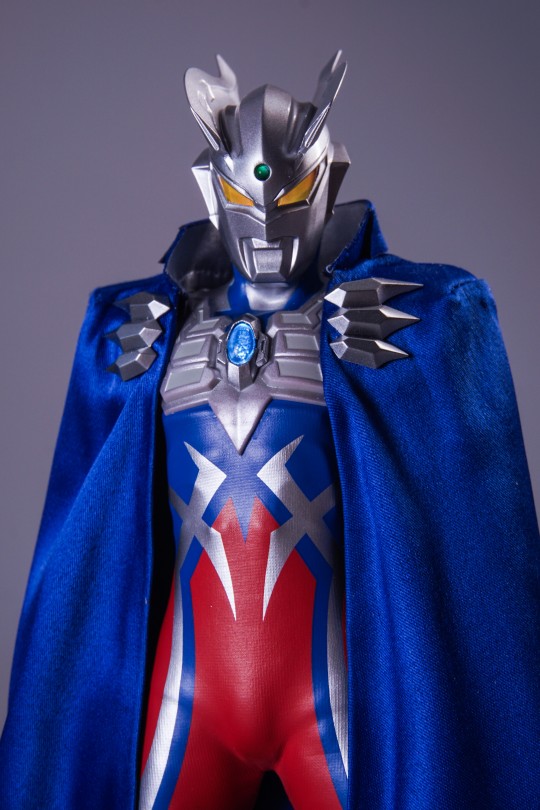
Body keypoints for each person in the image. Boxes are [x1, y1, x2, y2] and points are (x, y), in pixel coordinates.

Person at [1, 54, 538, 810]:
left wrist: (411, 338)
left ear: (327, 183)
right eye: (242, 197)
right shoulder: (146, 330)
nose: (264, 223)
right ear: (212, 190)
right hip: (191, 694)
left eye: (288, 196)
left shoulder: (392, 320)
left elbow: (469, 513)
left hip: (327, 697)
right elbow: (86, 534)